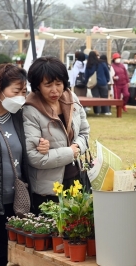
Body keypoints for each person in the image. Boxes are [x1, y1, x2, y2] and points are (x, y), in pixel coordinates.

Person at [0, 64, 48, 266]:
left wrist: (41, 144)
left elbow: (25, 148)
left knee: (5, 254)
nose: (21, 96)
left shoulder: (19, 116)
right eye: (16, 91)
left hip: (14, 201)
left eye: (24, 92)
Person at [23, 57, 90, 214]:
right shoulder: (30, 110)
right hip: (47, 190)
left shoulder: (71, 98)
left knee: (75, 233)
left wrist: (78, 147)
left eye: (59, 84)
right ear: (37, 86)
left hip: (75, 180)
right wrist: (70, 152)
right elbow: (34, 157)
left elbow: (85, 132)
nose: (55, 90)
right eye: (48, 85)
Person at [85, 51, 111, 115]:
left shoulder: (89, 64)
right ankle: (105, 111)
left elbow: (86, 75)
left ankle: (97, 111)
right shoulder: (102, 63)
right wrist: (107, 80)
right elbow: (107, 72)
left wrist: (87, 83)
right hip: (103, 82)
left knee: (95, 97)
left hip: (93, 83)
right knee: (104, 97)